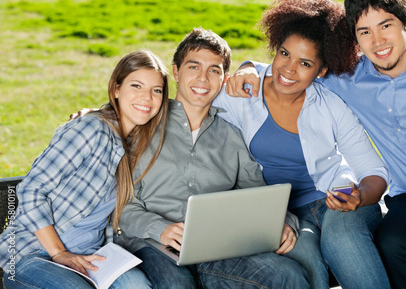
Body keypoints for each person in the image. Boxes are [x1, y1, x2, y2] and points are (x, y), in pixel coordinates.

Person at [227, 0, 406, 289]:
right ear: (355, 40)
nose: (378, 41)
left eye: (386, 25)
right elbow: (293, 69)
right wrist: (249, 67)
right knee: (391, 245)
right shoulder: (349, 76)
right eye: (365, 32)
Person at [213, 0, 391, 289]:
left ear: (321, 71)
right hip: (280, 213)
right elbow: (191, 107)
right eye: (284, 53)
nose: (288, 69)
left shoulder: (331, 105)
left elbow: (374, 173)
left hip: (336, 196)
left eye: (305, 63)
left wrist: (358, 196)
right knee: (307, 264)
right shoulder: (243, 92)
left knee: (341, 238)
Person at [116, 28, 310, 289]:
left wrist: (284, 221)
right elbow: (120, 204)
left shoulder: (232, 136)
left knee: (288, 275)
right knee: (177, 284)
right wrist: (159, 228)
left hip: (215, 247)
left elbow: (259, 195)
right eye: (194, 67)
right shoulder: (142, 125)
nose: (203, 79)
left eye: (214, 71)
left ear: (224, 79)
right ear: (175, 72)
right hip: (151, 244)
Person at [0, 49, 170, 289]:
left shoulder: (137, 144)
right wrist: (59, 253)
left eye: (157, 90)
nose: (147, 98)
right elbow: (31, 190)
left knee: (137, 286)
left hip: (91, 254)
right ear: (116, 89)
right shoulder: (89, 130)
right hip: (32, 253)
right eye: (137, 86)